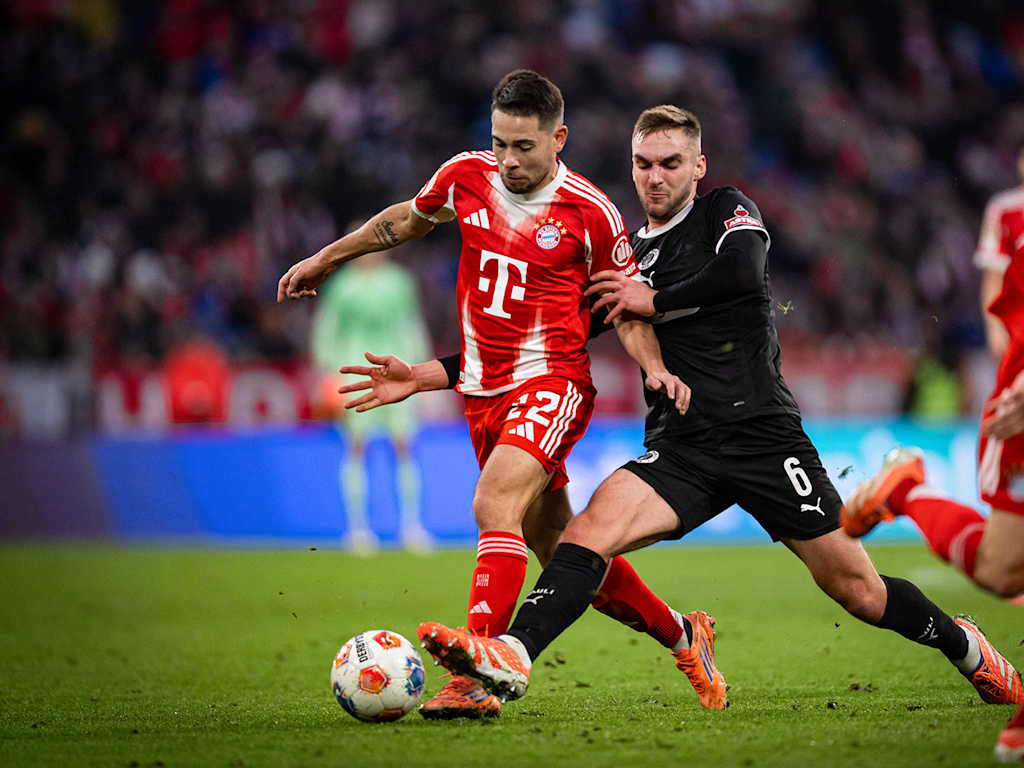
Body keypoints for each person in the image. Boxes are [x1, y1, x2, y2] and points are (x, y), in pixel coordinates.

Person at [410, 105, 1024, 714]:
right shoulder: (623, 259)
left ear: (698, 165)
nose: (655, 177)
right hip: (682, 447)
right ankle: (514, 653)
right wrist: (425, 375)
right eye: (644, 164)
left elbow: (743, 273)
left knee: (858, 592)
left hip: (764, 437)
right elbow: (544, 342)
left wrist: (656, 299)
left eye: (671, 163)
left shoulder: (723, 211)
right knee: (586, 533)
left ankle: (965, 647)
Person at [279, 71, 721, 719]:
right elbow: (403, 221)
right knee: (562, 548)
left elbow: (626, 308)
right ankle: (685, 634)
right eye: (500, 144)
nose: (508, 161)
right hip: (482, 392)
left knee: (493, 503)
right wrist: (328, 258)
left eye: (524, 147)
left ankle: (476, 676)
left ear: (558, 139)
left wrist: (652, 368)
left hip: (554, 382)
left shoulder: (592, 213)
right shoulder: (465, 175)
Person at [842, 143, 1024, 763]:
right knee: (1002, 569)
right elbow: (1001, 314)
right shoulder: (1009, 215)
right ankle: (906, 492)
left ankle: (902, 492)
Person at [311, 248, 433, 553]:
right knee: (355, 447)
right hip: (353, 372)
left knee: (404, 447)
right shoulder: (342, 286)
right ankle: (358, 528)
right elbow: (327, 328)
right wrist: (326, 371)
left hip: (398, 372)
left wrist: (422, 369)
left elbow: (411, 325)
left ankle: (411, 526)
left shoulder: (399, 282)